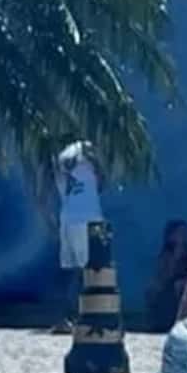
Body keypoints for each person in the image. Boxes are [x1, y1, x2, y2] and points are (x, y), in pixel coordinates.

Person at [53, 141, 106, 334]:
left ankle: (64, 317)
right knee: (89, 270)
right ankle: (85, 317)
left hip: (68, 217)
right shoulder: (88, 151)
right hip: (86, 217)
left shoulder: (62, 156)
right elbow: (101, 183)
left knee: (69, 269)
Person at [144, 220, 187, 332]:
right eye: (179, 233)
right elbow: (165, 274)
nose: (183, 236)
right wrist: (176, 254)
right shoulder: (167, 253)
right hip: (168, 285)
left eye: (184, 233)